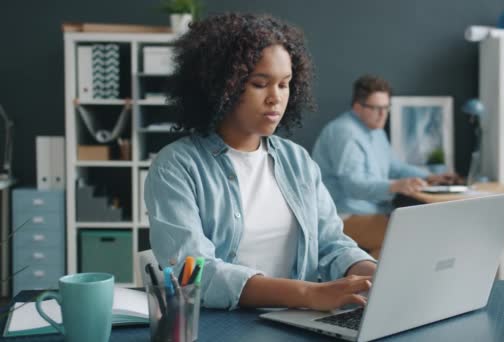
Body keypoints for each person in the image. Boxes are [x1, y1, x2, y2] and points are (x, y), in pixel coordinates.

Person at [144, 13, 376, 311]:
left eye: (284, 84)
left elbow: (332, 246)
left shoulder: (297, 161)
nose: (275, 98)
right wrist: (307, 294)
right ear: (221, 87)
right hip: (225, 326)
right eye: (259, 84)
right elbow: (194, 273)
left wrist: (375, 274)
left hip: (299, 321)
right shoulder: (177, 166)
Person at [312, 75, 459, 258]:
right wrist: (395, 186)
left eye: (386, 107)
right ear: (358, 107)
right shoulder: (345, 133)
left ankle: (371, 281)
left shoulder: (376, 130)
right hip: (344, 215)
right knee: (405, 242)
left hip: (372, 211)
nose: (383, 114)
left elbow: (394, 166)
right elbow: (354, 186)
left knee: (407, 240)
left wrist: (428, 176)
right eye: (376, 108)